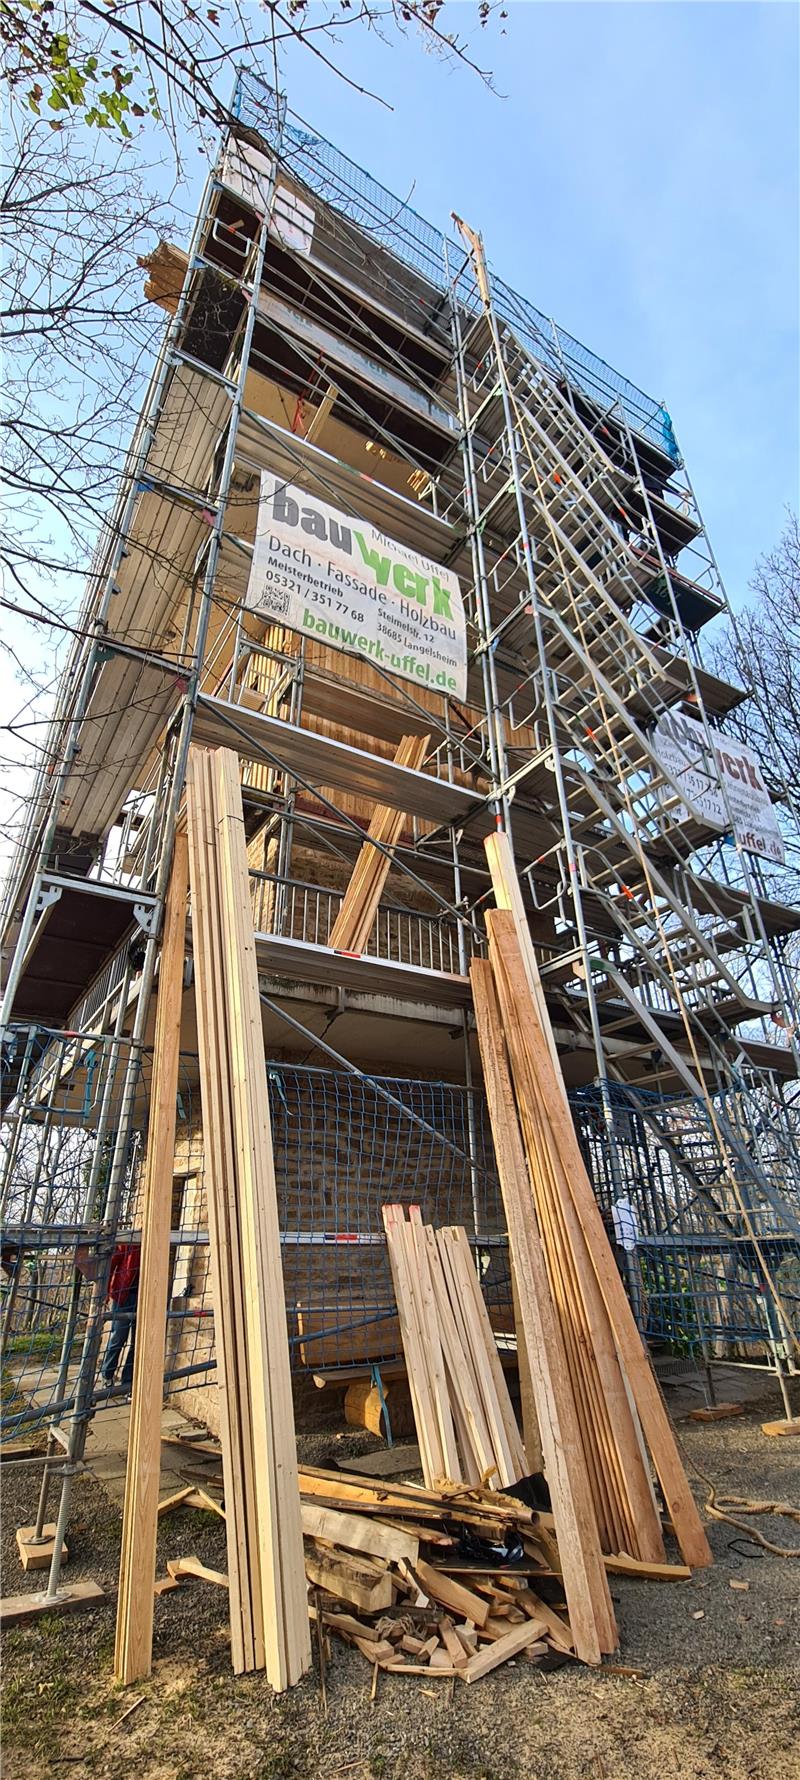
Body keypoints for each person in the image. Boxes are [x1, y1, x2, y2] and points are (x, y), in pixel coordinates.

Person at [100, 1242, 140, 1394]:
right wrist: (104, 1289)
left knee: (137, 1342)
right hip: (123, 1295)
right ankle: (107, 1374)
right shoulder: (129, 1242)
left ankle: (128, 1382)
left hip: (144, 1295)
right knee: (119, 1337)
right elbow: (112, 1264)